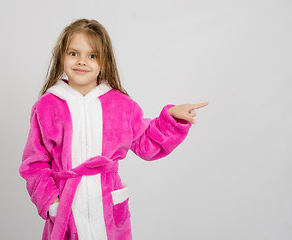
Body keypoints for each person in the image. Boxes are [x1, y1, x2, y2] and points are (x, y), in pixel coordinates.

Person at [19, 18, 208, 240]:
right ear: (61, 56)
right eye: (73, 54)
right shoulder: (47, 106)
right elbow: (35, 163)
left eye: (92, 56)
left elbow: (146, 142)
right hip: (67, 209)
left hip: (108, 209)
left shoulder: (120, 104)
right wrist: (52, 201)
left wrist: (171, 118)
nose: (82, 61)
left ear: (104, 62)